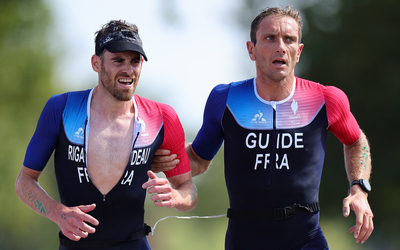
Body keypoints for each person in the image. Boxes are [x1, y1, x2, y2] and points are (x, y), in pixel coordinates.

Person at [152, 6, 373, 249]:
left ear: (298, 52)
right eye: (270, 38)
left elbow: (355, 141)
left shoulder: (326, 99)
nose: (281, 46)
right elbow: (198, 159)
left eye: (289, 40)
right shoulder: (225, 98)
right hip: (244, 240)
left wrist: (359, 188)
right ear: (251, 50)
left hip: (305, 239)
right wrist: (158, 157)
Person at [15, 20, 198, 250]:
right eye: (118, 60)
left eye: (135, 61)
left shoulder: (162, 117)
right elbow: (24, 181)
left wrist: (176, 197)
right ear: (96, 63)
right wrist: (58, 213)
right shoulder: (62, 109)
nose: (128, 70)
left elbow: (189, 190)